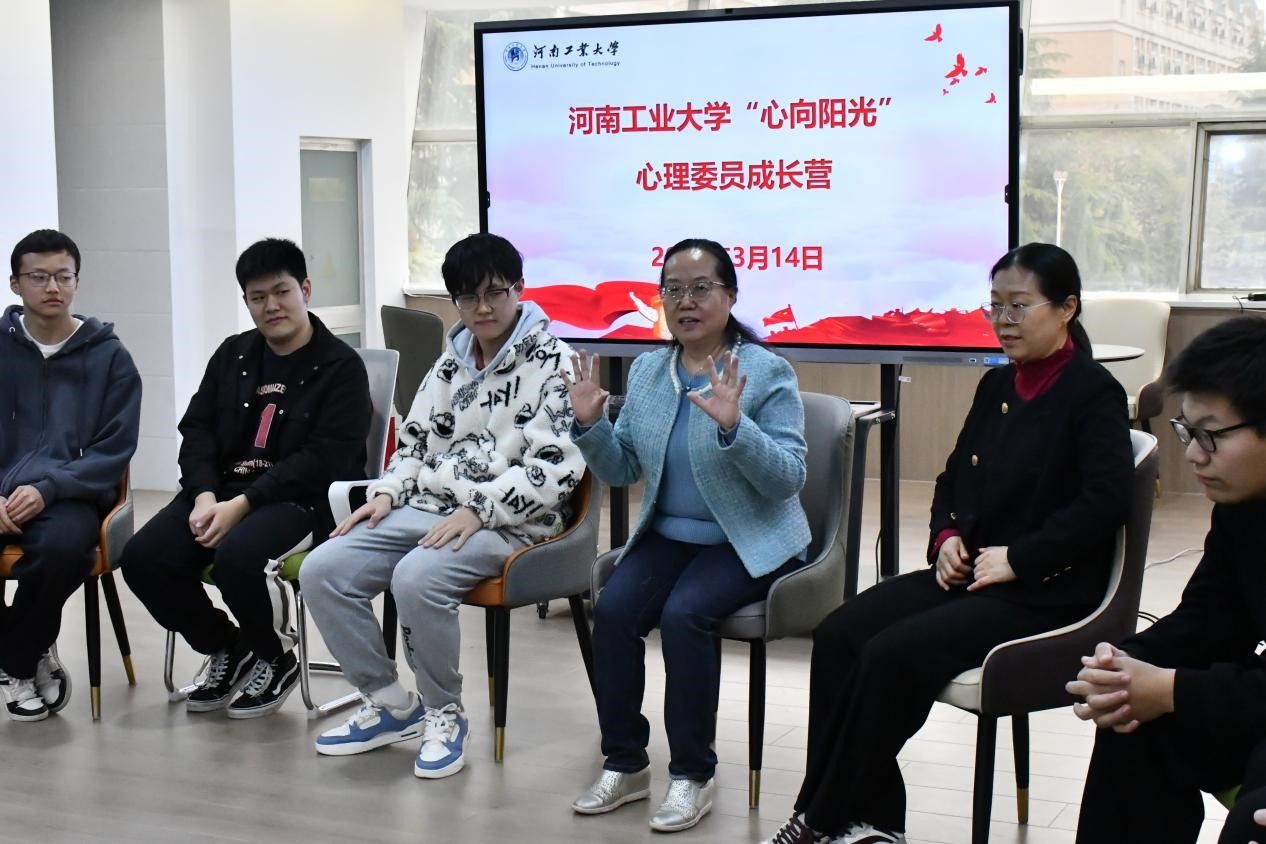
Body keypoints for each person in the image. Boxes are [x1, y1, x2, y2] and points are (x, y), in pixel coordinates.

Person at [762, 243, 1134, 844]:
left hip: (1045, 590)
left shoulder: (1093, 393)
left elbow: (1105, 502)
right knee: (838, 634)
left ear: (1067, 308)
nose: (1003, 321)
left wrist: (1020, 559)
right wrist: (946, 536)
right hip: (973, 573)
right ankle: (874, 822)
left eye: (1019, 307)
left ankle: (823, 817)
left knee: (890, 654)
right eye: (995, 307)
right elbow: (953, 478)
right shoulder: (998, 384)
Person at [299, 233, 583, 779]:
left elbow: (554, 469)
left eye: (495, 293)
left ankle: (443, 712)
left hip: (514, 521)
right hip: (430, 507)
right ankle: (389, 703)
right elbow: (412, 445)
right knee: (323, 569)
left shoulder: (556, 363)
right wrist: (386, 493)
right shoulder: (448, 365)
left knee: (417, 577)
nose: (482, 308)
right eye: (467, 296)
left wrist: (480, 509)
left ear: (519, 289)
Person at [564, 238, 811, 833]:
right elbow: (623, 470)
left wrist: (736, 428)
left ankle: (692, 775)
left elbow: (788, 478)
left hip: (747, 537)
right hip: (671, 536)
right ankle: (625, 763)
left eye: (701, 288)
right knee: (614, 609)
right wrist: (591, 426)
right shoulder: (650, 371)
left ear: (731, 295)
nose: (686, 301)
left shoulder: (766, 371)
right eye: (672, 290)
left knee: (684, 615)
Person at [120, 237, 370, 719]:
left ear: (305, 290)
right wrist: (203, 495)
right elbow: (196, 431)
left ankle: (276, 656)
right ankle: (229, 647)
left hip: (301, 500)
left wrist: (244, 504)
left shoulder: (340, 368)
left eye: (281, 292)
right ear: (247, 301)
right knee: (143, 558)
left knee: (239, 557)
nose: (271, 305)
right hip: (221, 492)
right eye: (258, 297)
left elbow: (324, 459)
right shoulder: (233, 356)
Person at [1070, 316, 1266, 844]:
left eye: (1211, 436)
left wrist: (1173, 689)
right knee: (1132, 721)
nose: (1193, 454)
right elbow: (1210, 618)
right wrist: (1123, 665)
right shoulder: (1243, 506)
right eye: (1187, 431)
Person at [0, 229, 142, 721]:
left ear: (77, 281)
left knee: (62, 551)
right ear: (16, 283)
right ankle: (25, 646)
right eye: (39, 277)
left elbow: (114, 449)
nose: (53, 287)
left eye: (63, 276)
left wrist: (49, 488)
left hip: (71, 497)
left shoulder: (110, 357)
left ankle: (16, 662)